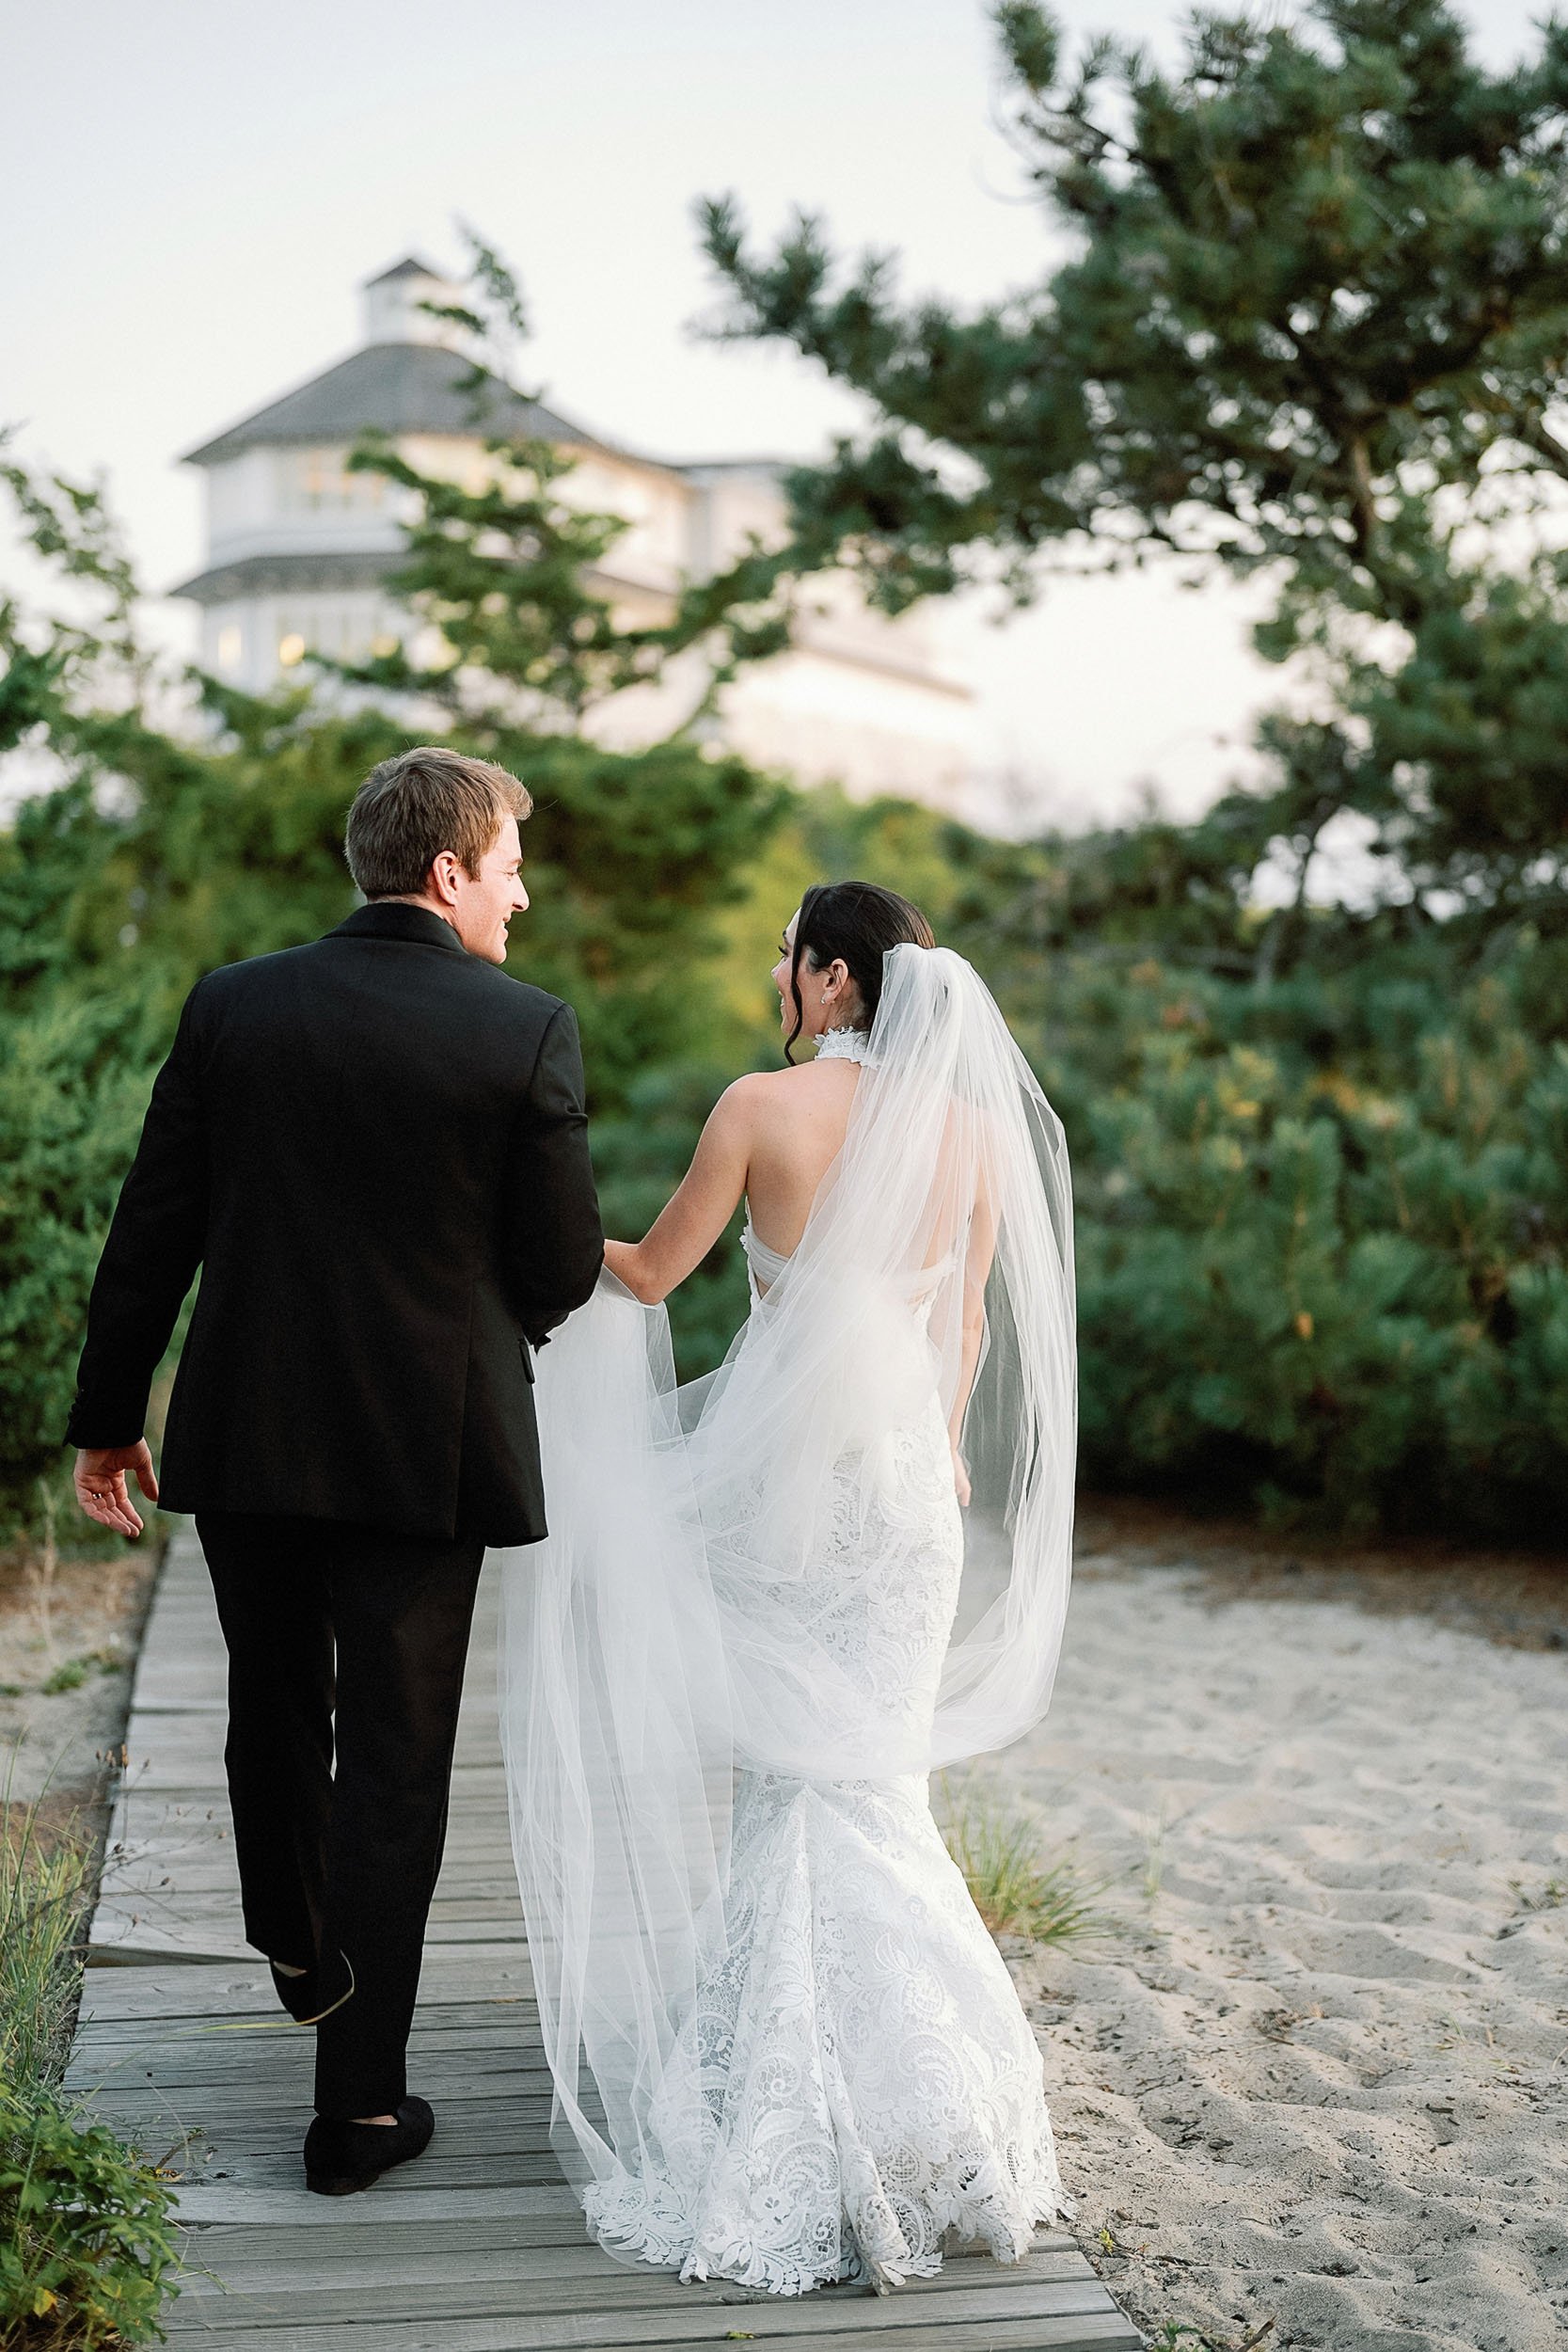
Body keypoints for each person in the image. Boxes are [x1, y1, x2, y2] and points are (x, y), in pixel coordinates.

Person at [499, 880, 1079, 2295]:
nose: (780, 977)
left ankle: (793, 2102)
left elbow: (643, 1275)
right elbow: (965, 1333)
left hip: (792, 1493)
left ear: (828, 980)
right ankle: (939, 2108)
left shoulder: (760, 1110)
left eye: (787, 960)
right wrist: (937, 1451)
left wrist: (512, 1234)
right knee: (880, 1787)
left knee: (792, 1784)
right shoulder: (967, 1130)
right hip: (906, 1504)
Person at [67, 746, 603, 2196]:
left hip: (246, 1438)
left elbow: (152, 1228)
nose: (521, 893)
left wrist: (109, 1414)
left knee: (270, 1705)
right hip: (425, 1459)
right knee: (395, 1765)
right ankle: (359, 2109)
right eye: (507, 867)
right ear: (449, 872)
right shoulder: (526, 1030)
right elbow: (557, 1271)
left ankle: (298, 1941)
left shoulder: (234, 1004)